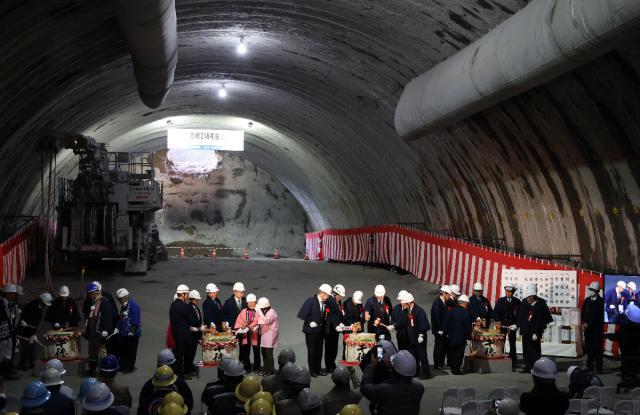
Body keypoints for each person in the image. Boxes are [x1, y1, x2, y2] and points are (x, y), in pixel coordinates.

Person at [361, 350, 424, 415]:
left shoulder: (384, 390)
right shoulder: (419, 388)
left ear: (394, 370)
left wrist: (371, 366)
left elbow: (364, 388)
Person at [392, 292, 431, 379]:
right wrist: (394, 326)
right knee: (413, 357)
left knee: (422, 356)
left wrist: (421, 335)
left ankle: (426, 373)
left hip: (419, 338)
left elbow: (423, 324)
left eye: (405, 303)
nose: (404, 305)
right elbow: (401, 322)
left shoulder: (419, 311)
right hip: (410, 338)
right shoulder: (406, 311)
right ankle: (415, 371)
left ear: (409, 303)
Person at [516, 283, 553, 372]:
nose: (528, 299)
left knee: (535, 350)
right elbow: (520, 316)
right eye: (527, 297)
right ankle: (527, 366)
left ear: (533, 296)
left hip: (535, 331)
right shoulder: (524, 302)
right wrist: (517, 325)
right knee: (526, 349)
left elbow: (543, 319)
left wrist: (536, 332)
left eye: (530, 297)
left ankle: (537, 367)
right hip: (525, 330)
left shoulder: (541, 303)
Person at [297, 284, 331, 377]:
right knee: (312, 351)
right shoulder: (310, 301)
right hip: (311, 332)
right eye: (327, 295)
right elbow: (302, 314)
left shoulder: (325, 303)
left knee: (319, 351)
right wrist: (309, 321)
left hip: (320, 331)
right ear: (323, 293)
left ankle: (318, 369)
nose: (328, 297)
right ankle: (312, 371)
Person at [84, 283, 118, 376]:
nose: (90, 296)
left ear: (95, 293)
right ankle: (92, 371)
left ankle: (105, 371)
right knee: (92, 353)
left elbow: (108, 317)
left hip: (100, 333)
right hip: (93, 333)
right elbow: (90, 318)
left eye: (91, 294)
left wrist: (106, 330)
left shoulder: (105, 302)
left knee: (102, 352)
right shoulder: (94, 302)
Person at [17, 292, 52, 370]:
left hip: (30, 328)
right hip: (24, 329)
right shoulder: (33, 307)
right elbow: (28, 321)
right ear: (42, 301)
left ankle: (32, 363)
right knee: (25, 346)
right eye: (45, 304)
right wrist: (32, 333)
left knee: (32, 345)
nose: (45, 306)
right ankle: (23, 365)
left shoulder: (38, 306)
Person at [493, 284, 522, 370]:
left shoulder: (517, 301)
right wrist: (497, 321)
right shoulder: (500, 301)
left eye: (510, 292)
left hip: (512, 326)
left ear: (513, 292)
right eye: (507, 291)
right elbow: (495, 312)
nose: (508, 293)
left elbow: (520, 315)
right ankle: (500, 358)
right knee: (501, 342)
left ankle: (512, 361)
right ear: (505, 291)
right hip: (502, 325)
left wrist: (517, 324)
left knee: (512, 343)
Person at [444, 294, 472, 375]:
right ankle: (456, 369)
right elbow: (467, 327)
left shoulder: (451, 311)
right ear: (465, 303)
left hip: (451, 337)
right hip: (461, 338)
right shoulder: (465, 313)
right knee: (459, 354)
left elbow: (446, 323)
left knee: (452, 353)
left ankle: (452, 368)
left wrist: (445, 333)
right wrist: (468, 337)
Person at [116, 288, 141, 373]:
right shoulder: (124, 305)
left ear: (126, 296)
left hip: (132, 334)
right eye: (118, 299)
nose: (119, 300)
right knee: (123, 350)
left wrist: (132, 331)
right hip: (124, 333)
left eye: (120, 299)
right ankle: (123, 365)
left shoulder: (134, 305)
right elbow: (121, 318)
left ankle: (130, 367)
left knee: (131, 351)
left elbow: (136, 320)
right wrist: (118, 328)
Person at [581, 281, 604, 374]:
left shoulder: (601, 301)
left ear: (597, 291)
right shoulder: (587, 300)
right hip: (588, 330)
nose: (591, 291)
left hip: (597, 330)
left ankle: (599, 368)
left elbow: (598, 315)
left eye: (593, 290)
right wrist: (584, 322)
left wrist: (589, 323)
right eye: (590, 289)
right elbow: (583, 313)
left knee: (597, 349)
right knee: (589, 349)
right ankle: (589, 367)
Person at [169, 284, 191, 377]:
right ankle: (180, 375)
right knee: (181, 357)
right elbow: (191, 321)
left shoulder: (173, 305)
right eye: (187, 294)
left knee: (177, 355)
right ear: (183, 294)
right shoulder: (184, 306)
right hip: (183, 336)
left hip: (175, 334)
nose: (188, 296)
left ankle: (177, 373)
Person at [235, 293, 261, 373]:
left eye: (254, 302)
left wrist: (249, 326)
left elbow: (257, 320)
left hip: (255, 334)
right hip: (245, 335)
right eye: (251, 302)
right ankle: (246, 367)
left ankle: (257, 367)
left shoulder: (257, 311)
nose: (253, 303)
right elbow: (239, 321)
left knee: (256, 351)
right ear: (248, 302)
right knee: (245, 351)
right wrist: (241, 327)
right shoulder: (243, 311)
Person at [324, 284, 346, 374]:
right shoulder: (329, 301)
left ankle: (332, 364)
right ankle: (328, 366)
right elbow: (330, 315)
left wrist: (340, 323)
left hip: (336, 329)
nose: (340, 298)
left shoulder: (338, 301)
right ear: (335, 293)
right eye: (340, 296)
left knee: (334, 348)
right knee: (329, 349)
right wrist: (336, 325)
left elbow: (338, 314)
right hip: (330, 329)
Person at [256, 297, 279, 375]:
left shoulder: (272, 312)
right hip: (265, 334)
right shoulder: (265, 310)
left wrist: (259, 312)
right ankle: (265, 369)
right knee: (264, 353)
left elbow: (266, 321)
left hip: (270, 336)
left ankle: (270, 370)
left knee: (268, 354)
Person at [430, 285, 451, 370]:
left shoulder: (443, 302)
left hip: (442, 329)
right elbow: (437, 317)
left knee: (442, 346)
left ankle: (441, 363)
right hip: (438, 330)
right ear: (444, 293)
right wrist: (440, 329)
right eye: (449, 295)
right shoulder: (437, 303)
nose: (449, 297)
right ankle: (437, 364)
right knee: (438, 347)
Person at [0, 285, 17, 380]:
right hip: (3, 332)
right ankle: (5, 373)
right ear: (7, 293)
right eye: (12, 293)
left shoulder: (9, 303)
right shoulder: (1, 303)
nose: (14, 295)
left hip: (8, 331)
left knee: (9, 352)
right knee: (3, 353)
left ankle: (7, 372)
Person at [185, 290, 204, 375]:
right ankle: (187, 370)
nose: (198, 301)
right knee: (188, 354)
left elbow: (199, 321)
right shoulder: (188, 309)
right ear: (191, 299)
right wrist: (200, 329)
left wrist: (200, 337)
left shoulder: (196, 308)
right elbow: (191, 323)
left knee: (192, 353)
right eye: (196, 299)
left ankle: (189, 367)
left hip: (195, 336)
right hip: (190, 336)